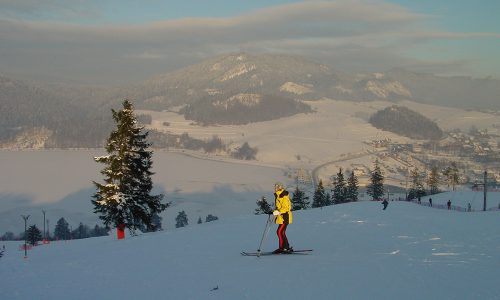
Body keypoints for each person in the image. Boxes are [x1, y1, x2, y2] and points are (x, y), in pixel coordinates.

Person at [271, 182, 293, 254]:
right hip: (282, 216)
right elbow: (279, 207)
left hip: (285, 216)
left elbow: (286, 208)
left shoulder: (283, 195)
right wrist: (273, 211)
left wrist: (278, 212)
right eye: (275, 187)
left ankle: (283, 248)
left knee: (280, 232)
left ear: (280, 187)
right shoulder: (278, 195)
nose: (276, 188)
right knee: (281, 232)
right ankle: (285, 247)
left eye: (277, 187)